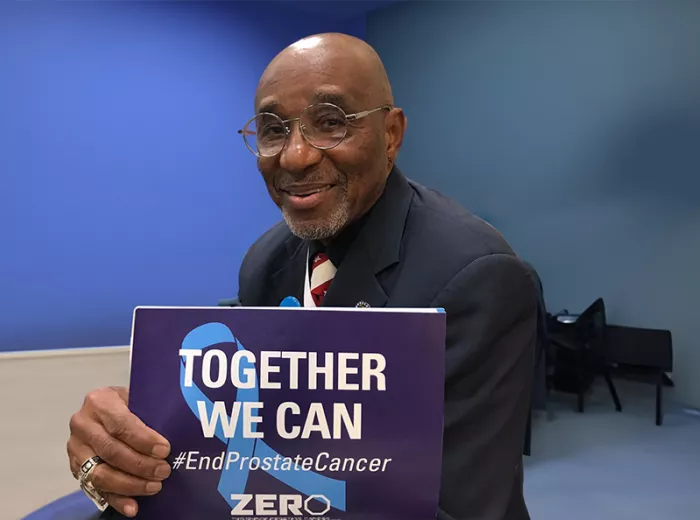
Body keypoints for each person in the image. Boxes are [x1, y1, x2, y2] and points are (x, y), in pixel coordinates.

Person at [67, 33, 538, 520]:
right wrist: (121, 443)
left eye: (331, 122)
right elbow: (233, 428)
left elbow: (458, 508)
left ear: (391, 134)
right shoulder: (267, 260)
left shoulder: (476, 277)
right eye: (272, 130)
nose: (294, 157)